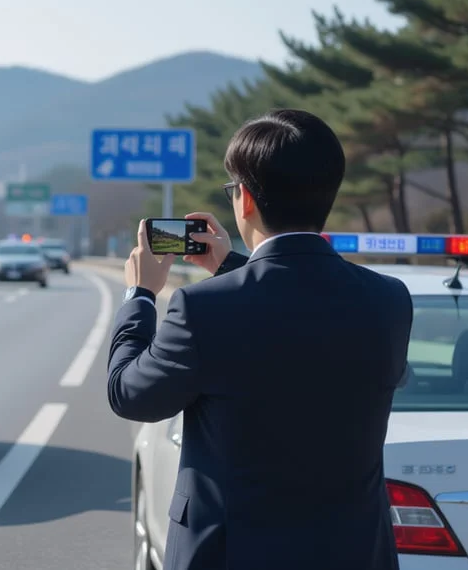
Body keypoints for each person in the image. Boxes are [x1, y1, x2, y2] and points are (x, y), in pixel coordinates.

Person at [108, 108, 412, 570]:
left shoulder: (201, 309)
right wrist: (234, 269)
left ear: (244, 198)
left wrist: (141, 296)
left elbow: (130, 395)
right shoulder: (389, 301)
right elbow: (298, 320)